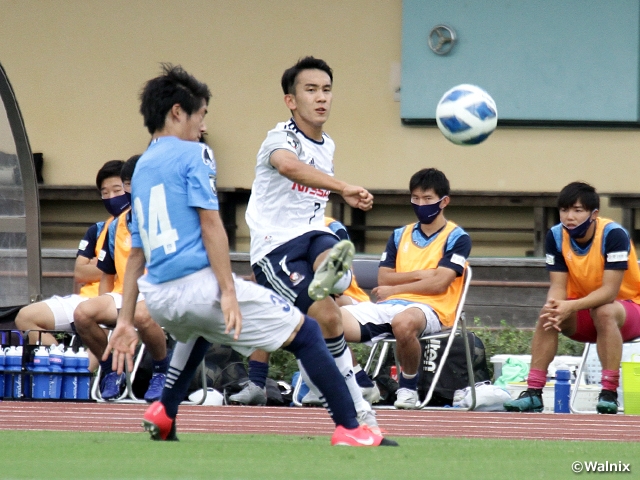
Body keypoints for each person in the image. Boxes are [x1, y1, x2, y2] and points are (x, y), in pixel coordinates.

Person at [103, 64, 396, 447]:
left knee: (204, 329)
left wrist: (126, 321)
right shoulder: (197, 155)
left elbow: (137, 253)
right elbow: (212, 226)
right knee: (307, 332)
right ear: (178, 112)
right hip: (198, 285)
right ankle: (350, 428)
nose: (203, 126)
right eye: (201, 114)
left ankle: (164, 410)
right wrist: (227, 289)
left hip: (158, 296)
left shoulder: (140, 169)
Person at [233, 57, 378, 430]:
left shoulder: (327, 143)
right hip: (276, 247)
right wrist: (344, 187)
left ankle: (336, 278)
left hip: (312, 232)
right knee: (328, 318)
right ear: (291, 101)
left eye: (327, 90)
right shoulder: (280, 138)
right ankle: (359, 408)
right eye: (311, 90)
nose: (321, 98)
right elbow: (288, 166)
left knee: (330, 246)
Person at [340, 168, 472, 409]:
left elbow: (440, 283)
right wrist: (421, 274)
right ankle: (360, 381)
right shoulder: (400, 235)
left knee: (403, 322)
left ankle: (407, 389)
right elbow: (383, 277)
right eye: (415, 198)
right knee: (323, 319)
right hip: (389, 305)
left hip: (433, 309)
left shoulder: (457, 237)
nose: (421, 204)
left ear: (445, 201)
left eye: (428, 199)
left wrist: (395, 287)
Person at [504, 182, 640, 414]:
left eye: (578, 210)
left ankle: (608, 392)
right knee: (548, 313)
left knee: (604, 310)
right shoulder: (555, 235)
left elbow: (609, 292)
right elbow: (558, 286)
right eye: (565, 210)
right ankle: (534, 392)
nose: (569, 217)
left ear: (593, 214)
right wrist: (555, 306)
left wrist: (570, 305)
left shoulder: (614, 234)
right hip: (584, 313)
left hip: (628, 311)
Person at [74, 155, 169, 402]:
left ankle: (161, 371)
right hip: (124, 295)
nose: (132, 187)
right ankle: (109, 371)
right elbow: (107, 273)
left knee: (140, 315)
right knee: (83, 313)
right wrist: (105, 301)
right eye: (128, 182)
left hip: (162, 292)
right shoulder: (116, 226)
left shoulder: (168, 217)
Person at [15, 160, 125, 358]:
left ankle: (88, 380)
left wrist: (99, 265)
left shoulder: (143, 225)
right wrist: (113, 265)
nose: (110, 197)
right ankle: (62, 368)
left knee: (96, 325)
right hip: (86, 299)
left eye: (117, 190)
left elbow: (135, 269)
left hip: (121, 301)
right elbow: (80, 273)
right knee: (26, 317)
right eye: (105, 192)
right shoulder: (99, 230)